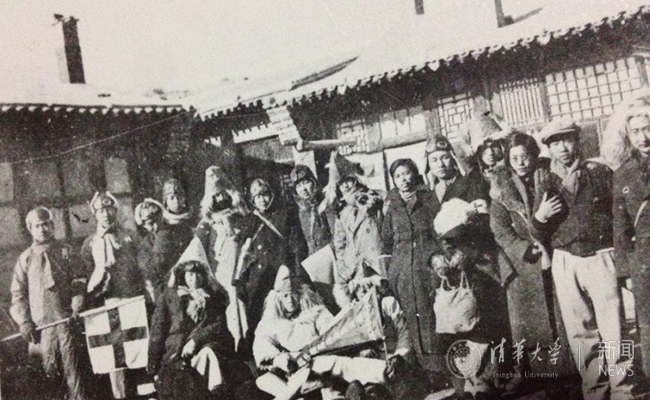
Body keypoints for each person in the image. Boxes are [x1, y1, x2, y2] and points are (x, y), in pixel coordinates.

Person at [531, 118, 632, 400]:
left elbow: (619, 216)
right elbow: (536, 231)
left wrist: (620, 257)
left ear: (577, 141)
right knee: (580, 333)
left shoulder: (598, 172)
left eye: (567, 140)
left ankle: (623, 389)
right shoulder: (545, 181)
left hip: (600, 256)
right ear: (549, 148)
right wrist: (540, 219)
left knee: (614, 328)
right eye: (555, 143)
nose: (562, 148)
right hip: (566, 261)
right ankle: (595, 391)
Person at [488, 132, 575, 393]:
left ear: (534, 156)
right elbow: (501, 232)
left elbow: (561, 216)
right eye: (514, 158)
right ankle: (539, 377)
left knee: (560, 321)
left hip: (553, 256)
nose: (521, 163)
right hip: (522, 266)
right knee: (533, 328)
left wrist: (544, 234)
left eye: (525, 156)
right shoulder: (500, 190)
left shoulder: (549, 179)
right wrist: (525, 249)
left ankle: (568, 376)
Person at [252, 266, 390, 400]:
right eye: (285, 296)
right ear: (277, 298)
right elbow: (261, 345)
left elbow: (331, 331)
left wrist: (345, 314)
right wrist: (279, 359)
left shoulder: (315, 312)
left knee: (335, 367)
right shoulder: (271, 323)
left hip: (318, 359)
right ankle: (382, 372)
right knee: (335, 365)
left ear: (300, 293)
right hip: (294, 370)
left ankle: (385, 371)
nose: (290, 300)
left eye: (293, 294)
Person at [10, 207, 89, 400]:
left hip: (67, 324)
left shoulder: (66, 251)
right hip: (42, 331)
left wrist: (77, 303)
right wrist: (24, 321)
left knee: (76, 378)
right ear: (30, 228)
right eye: (37, 226)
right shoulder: (25, 258)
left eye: (46, 224)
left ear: (52, 225)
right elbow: (17, 294)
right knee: (49, 379)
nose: (42, 229)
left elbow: (79, 279)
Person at [148, 237, 239, 400]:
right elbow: (158, 329)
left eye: (199, 274)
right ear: (182, 274)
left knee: (210, 356)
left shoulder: (214, 297)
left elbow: (218, 325)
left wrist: (195, 340)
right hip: (176, 351)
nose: (194, 279)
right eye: (190, 274)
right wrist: (153, 367)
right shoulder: (170, 296)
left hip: (205, 346)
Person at [81, 191, 146, 399]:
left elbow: (145, 267)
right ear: (95, 214)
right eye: (101, 211)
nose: (106, 214)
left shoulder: (130, 237)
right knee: (115, 357)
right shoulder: (90, 244)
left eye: (110, 209)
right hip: (106, 304)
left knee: (138, 350)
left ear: (115, 211)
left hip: (132, 301)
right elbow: (86, 276)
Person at [380, 159, 442, 372]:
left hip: (425, 267)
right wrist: (391, 271)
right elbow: (386, 239)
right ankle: (420, 369)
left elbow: (438, 231)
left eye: (407, 173)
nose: (403, 179)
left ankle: (437, 368)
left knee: (429, 316)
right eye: (398, 176)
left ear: (414, 174)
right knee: (408, 318)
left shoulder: (428, 199)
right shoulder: (392, 205)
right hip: (401, 272)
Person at [237, 178, 308, 339]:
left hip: (281, 276)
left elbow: (297, 247)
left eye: (265, 195)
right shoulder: (250, 220)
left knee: (284, 317)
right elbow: (244, 252)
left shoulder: (285, 215)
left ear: (272, 195)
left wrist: (298, 275)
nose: (262, 200)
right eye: (257, 197)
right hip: (259, 278)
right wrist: (241, 280)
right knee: (258, 320)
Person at [610, 100, 650, 380]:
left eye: (647, 128)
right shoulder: (623, 172)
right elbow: (620, 223)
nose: (643, 137)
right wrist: (625, 269)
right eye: (635, 131)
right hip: (644, 260)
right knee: (647, 322)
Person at [196, 166, 251, 352]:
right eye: (216, 195)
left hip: (240, 268)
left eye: (223, 193)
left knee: (242, 303)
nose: (220, 198)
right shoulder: (207, 225)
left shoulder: (241, 216)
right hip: (220, 273)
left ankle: (244, 342)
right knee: (226, 306)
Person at [145, 179, 194, 300]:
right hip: (172, 284)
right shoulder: (164, 229)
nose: (176, 201)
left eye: (179, 197)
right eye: (171, 198)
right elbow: (158, 266)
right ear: (165, 202)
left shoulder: (192, 222)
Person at [333, 176, 384, 286]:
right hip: (354, 269)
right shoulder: (343, 213)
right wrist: (343, 268)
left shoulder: (376, 198)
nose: (345, 185)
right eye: (341, 184)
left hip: (375, 265)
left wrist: (372, 207)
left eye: (347, 181)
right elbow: (340, 244)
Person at [290, 164, 336, 256]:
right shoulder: (300, 211)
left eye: (306, 183)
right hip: (312, 259)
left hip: (330, 256)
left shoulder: (326, 204)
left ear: (314, 182)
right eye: (298, 186)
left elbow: (337, 235)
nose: (303, 189)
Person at [134, 198, 164, 305]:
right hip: (159, 290)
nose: (156, 226)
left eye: (157, 221)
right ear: (144, 226)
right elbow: (146, 270)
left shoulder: (172, 235)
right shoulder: (145, 244)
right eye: (150, 224)